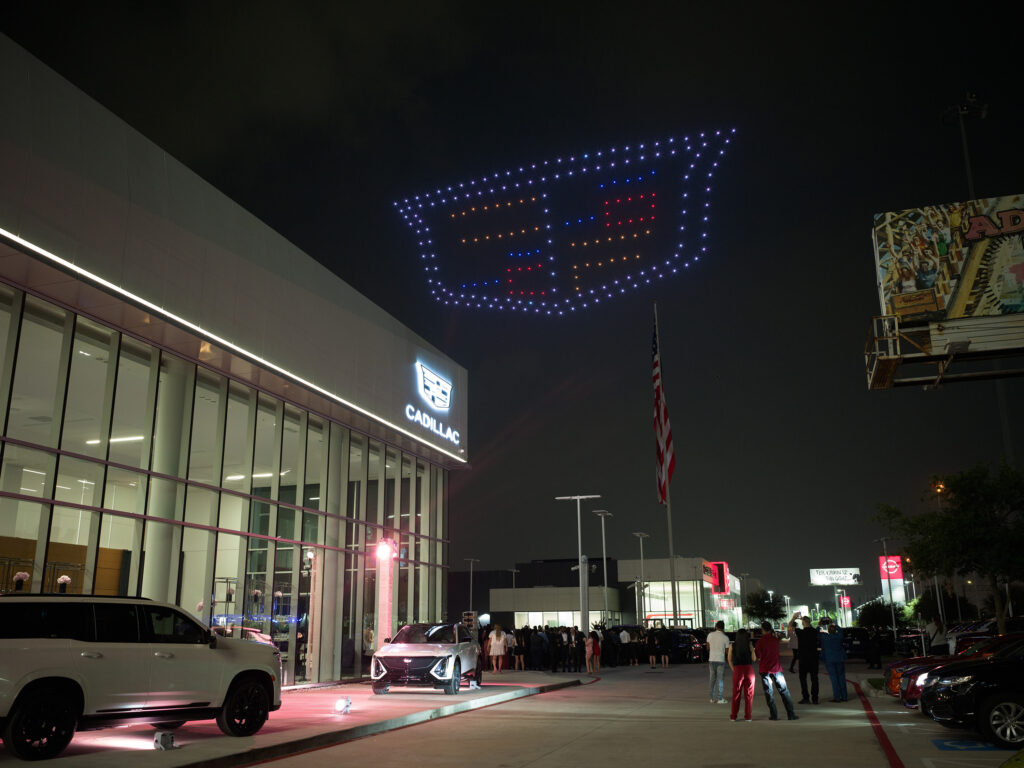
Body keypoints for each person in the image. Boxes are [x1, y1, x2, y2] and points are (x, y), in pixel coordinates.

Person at [755, 621, 799, 720]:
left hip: (765, 670)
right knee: (784, 691)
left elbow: (758, 656)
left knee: (768, 692)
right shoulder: (775, 640)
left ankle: (774, 715)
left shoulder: (760, 642)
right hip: (776, 669)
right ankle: (791, 714)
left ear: (762, 629)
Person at [728, 627, 757, 721]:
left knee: (736, 694)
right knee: (749, 694)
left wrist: (734, 669)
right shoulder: (749, 644)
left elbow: (729, 659)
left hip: (737, 670)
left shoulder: (732, 645)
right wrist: (752, 650)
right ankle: (748, 716)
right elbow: (754, 659)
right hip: (749, 670)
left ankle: (733, 716)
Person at [819, 619, 847, 702]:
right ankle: (844, 696)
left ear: (828, 630)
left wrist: (820, 624)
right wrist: (833, 623)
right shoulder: (839, 636)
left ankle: (837, 697)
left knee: (834, 678)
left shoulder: (825, 637)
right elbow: (841, 630)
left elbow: (817, 632)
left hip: (830, 660)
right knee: (841, 678)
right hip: (840, 659)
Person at [795, 615, 820, 704]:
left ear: (803, 623)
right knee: (814, 679)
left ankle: (806, 697)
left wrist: (794, 617)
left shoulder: (800, 632)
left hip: (803, 659)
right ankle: (815, 698)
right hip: (813, 659)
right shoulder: (814, 632)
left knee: (803, 679)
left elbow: (790, 625)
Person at [707, 620, 729, 704]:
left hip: (711, 659)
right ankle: (720, 698)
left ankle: (712, 698)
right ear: (723, 628)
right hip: (720, 660)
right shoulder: (725, 637)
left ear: (716, 626)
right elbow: (727, 651)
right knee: (720, 680)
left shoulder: (710, 635)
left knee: (712, 679)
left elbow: (708, 647)